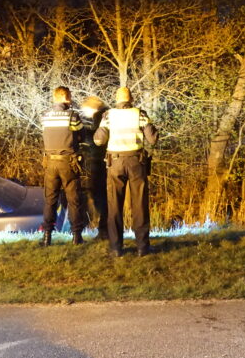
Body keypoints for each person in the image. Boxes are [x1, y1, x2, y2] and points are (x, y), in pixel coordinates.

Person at [94, 87, 158, 257]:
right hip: (136, 162)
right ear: (131, 98)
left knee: (114, 205)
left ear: (116, 99)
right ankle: (142, 247)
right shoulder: (140, 114)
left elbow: (99, 140)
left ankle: (116, 248)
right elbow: (152, 139)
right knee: (139, 205)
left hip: (115, 163)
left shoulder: (108, 115)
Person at [40, 86, 84, 246]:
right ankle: (76, 237)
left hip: (50, 162)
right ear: (66, 97)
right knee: (74, 200)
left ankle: (46, 238)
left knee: (50, 200)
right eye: (70, 97)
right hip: (68, 163)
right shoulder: (72, 116)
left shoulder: (45, 116)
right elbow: (81, 135)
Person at [79, 96, 109, 240]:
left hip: (100, 161)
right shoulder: (105, 115)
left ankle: (104, 231)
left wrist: (82, 134)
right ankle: (105, 230)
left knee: (99, 196)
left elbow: (98, 140)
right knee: (101, 196)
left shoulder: (100, 116)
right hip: (103, 161)